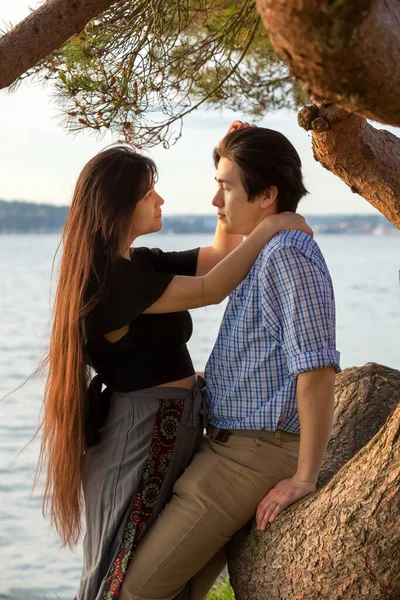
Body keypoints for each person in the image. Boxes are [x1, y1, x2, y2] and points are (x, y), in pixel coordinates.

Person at [35, 130, 312, 600]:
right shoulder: (107, 280)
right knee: (122, 567)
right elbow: (212, 290)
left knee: (157, 561)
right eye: (148, 192)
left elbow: (220, 259)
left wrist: (226, 153)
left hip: (166, 428)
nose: (161, 198)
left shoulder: (138, 264)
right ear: (118, 205)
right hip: (143, 437)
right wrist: (269, 226)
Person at [118, 125, 341, 600]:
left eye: (227, 187)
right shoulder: (264, 250)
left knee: (136, 591)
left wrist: (305, 477)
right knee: (178, 591)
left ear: (267, 196)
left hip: (252, 453)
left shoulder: (287, 256)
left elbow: (317, 371)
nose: (216, 201)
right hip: (224, 446)